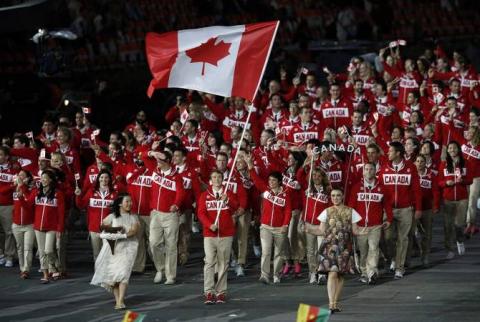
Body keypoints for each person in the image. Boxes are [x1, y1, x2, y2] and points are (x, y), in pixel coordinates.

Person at [306, 188, 362, 313]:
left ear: (342, 196)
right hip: (330, 247)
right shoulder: (326, 211)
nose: (335, 198)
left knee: (341, 276)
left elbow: (355, 230)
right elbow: (321, 230)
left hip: (345, 247)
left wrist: (367, 231)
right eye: (333, 195)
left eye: (338, 195)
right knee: (332, 273)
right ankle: (331, 304)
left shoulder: (351, 211)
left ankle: (335, 303)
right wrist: (309, 229)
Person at [245, 153, 292, 284]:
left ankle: (276, 274)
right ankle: (264, 275)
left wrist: (285, 225)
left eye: (273, 181)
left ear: (279, 182)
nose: (270, 183)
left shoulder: (285, 194)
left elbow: (288, 210)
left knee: (279, 253)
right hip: (265, 226)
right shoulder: (265, 190)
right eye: (269, 180)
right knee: (266, 252)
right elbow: (255, 178)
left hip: (279, 228)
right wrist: (250, 165)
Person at [91, 193, 140, 310]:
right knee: (114, 276)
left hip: (129, 247)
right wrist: (111, 232)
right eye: (127, 201)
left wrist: (121, 236)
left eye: (130, 201)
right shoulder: (112, 216)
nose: (130, 204)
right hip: (114, 249)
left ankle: (121, 300)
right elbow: (102, 226)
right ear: (120, 204)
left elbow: (133, 231)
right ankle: (118, 301)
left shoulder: (133, 217)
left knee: (123, 274)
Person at [197, 170, 238, 304]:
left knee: (223, 263)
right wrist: (209, 225)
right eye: (214, 177)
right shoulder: (204, 195)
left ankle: (221, 292)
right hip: (210, 235)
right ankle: (209, 291)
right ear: (210, 180)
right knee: (209, 262)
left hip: (226, 234)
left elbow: (236, 207)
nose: (217, 179)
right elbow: (201, 214)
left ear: (223, 179)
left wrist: (228, 200)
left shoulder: (228, 194)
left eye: (219, 177)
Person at [18, 169, 65, 283]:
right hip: (38, 227)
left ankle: (55, 268)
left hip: (52, 227)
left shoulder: (58, 193)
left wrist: (59, 228)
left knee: (49, 250)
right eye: (42, 178)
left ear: (51, 180)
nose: (43, 180)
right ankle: (45, 274)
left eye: (45, 178)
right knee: (42, 252)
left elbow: (61, 213)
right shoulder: (36, 192)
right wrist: (20, 198)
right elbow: (28, 206)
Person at [348, 163, 392, 284]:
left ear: (375, 171)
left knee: (374, 248)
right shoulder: (356, 187)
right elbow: (351, 207)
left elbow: (387, 205)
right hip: (360, 225)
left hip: (375, 225)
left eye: (371, 169)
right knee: (363, 250)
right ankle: (363, 272)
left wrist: (389, 219)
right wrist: (353, 224)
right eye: (366, 169)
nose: (368, 171)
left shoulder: (382, 188)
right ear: (363, 172)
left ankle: (372, 272)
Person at [438, 141, 472, 259]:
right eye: (450, 148)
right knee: (448, 225)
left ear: (458, 150)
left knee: (459, 224)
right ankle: (449, 249)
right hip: (448, 199)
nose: (452, 150)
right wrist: (446, 183)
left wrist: (463, 181)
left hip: (462, 198)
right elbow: (439, 182)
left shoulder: (466, 163)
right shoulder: (443, 164)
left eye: (454, 148)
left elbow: (470, 180)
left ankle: (459, 240)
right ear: (447, 150)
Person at [75, 170, 117, 260]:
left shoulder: (114, 194)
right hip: (94, 227)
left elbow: (117, 211)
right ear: (98, 179)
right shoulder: (91, 192)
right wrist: (78, 196)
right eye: (101, 177)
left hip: (108, 228)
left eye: (106, 177)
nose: (104, 179)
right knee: (97, 253)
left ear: (110, 179)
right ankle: (98, 272)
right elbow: (81, 205)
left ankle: (107, 272)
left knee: (108, 253)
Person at [12, 170, 35, 279]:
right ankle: (22, 268)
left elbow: (29, 203)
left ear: (27, 178)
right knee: (20, 247)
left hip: (29, 224)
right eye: (19, 175)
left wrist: (23, 187)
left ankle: (26, 269)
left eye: (22, 175)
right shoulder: (13, 187)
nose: (19, 177)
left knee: (28, 248)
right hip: (16, 224)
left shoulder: (32, 189)